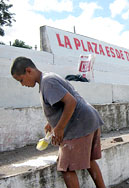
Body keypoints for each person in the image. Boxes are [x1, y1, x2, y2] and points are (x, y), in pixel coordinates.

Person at [10, 57, 106, 188]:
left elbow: (71, 102)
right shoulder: (48, 78)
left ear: (28, 71)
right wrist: (51, 123)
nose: (22, 84)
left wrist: (59, 128)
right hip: (88, 119)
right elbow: (60, 104)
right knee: (89, 159)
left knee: (66, 167)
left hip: (79, 124)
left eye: (21, 80)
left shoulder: (47, 83)